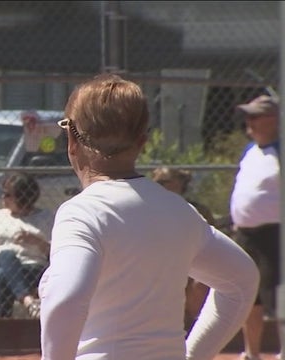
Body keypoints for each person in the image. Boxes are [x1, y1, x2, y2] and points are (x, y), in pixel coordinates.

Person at [39, 73, 259, 360]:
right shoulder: (179, 211)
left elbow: (66, 300)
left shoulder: (82, 212)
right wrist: (193, 355)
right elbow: (242, 280)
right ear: (142, 141)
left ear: (72, 140)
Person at [229, 94, 281, 360]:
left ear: (273, 119)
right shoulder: (250, 151)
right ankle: (252, 353)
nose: (248, 121)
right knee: (250, 297)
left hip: (275, 235)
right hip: (245, 234)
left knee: (280, 297)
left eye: (255, 116)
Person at [0, 172, 53, 319]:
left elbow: (55, 253)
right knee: (6, 256)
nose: (2, 197)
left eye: (7, 195)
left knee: (3, 275)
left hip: (31, 269)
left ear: (22, 197)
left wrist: (36, 241)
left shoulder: (45, 217)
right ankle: (29, 302)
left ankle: (3, 323)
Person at [151, 166, 213, 331]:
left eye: (164, 182)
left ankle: (193, 325)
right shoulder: (146, 207)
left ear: (179, 184)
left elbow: (212, 240)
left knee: (200, 282)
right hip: (157, 263)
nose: (158, 185)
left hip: (191, 261)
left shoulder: (197, 210)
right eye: (156, 182)